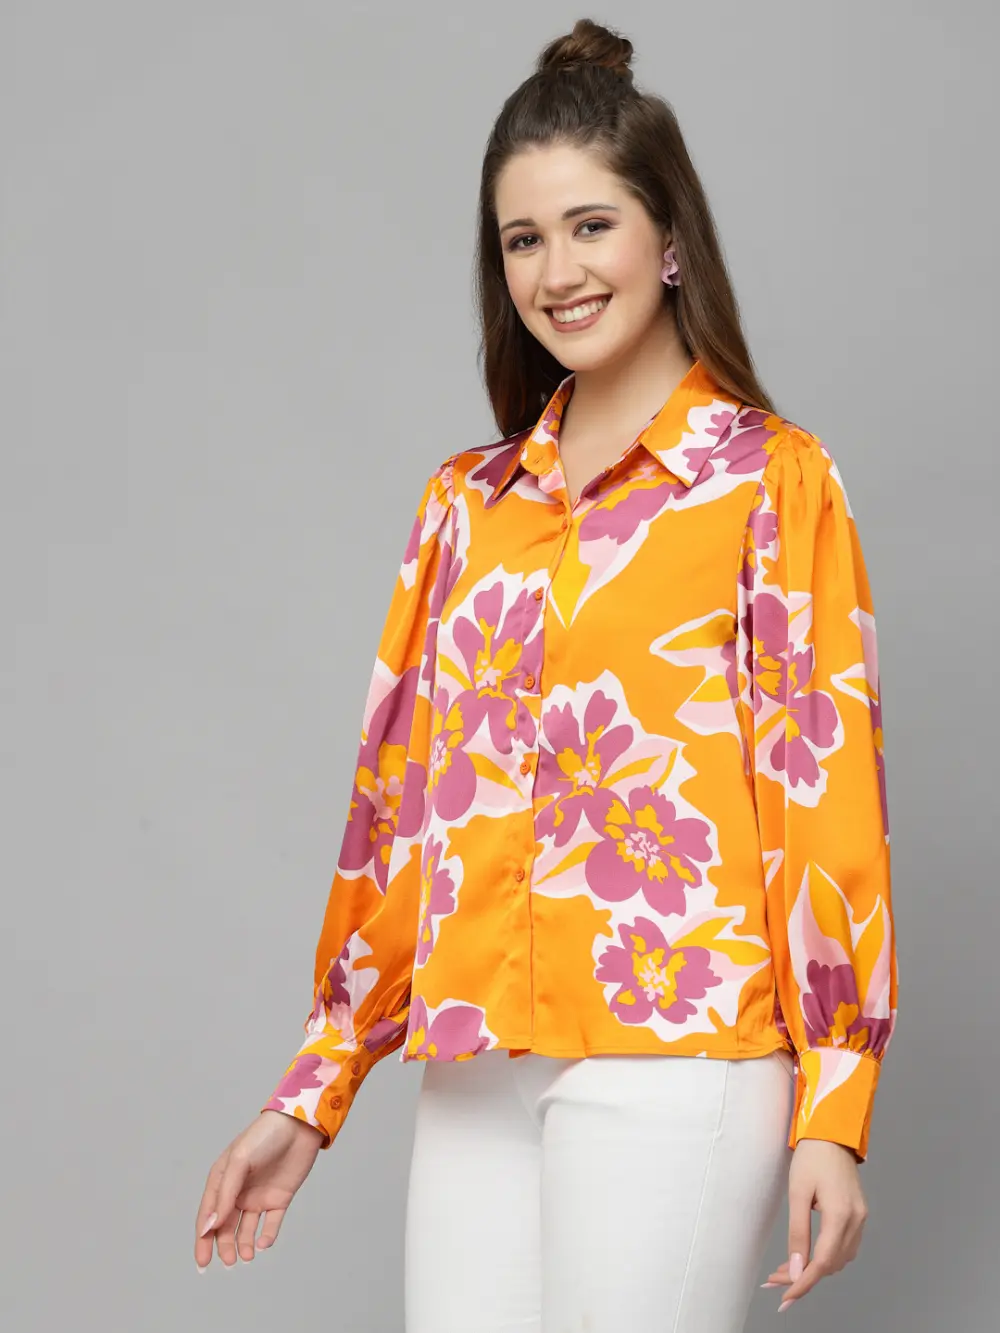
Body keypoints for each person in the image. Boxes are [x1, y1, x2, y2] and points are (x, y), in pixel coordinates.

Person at [193, 17, 898, 1332]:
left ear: (668, 237)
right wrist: (317, 1086)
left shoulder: (771, 482)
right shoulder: (463, 508)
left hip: (679, 1054)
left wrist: (834, 1108)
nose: (557, 272)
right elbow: (399, 815)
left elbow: (825, 808)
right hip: (477, 1063)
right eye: (523, 239)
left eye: (590, 226)